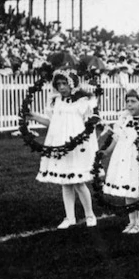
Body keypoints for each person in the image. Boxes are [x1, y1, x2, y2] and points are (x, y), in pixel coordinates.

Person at [28, 69, 98, 229]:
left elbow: (89, 125)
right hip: (59, 143)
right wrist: (34, 116)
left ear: (72, 84)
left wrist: (83, 142)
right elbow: (52, 123)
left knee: (79, 182)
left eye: (64, 83)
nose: (61, 87)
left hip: (77, 145)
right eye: (58, 84)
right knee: (65, 183)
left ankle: (90, 214)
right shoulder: (56, 101)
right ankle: (69, 217)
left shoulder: (82, 102)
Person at [102, 89, 139, 234]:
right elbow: (116, 137)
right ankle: (132, 222)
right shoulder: (124, 118)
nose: (129, 105)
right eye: (127, 101)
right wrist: (107, 151)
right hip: (125, 157)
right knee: (128, 189)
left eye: (133, 101)